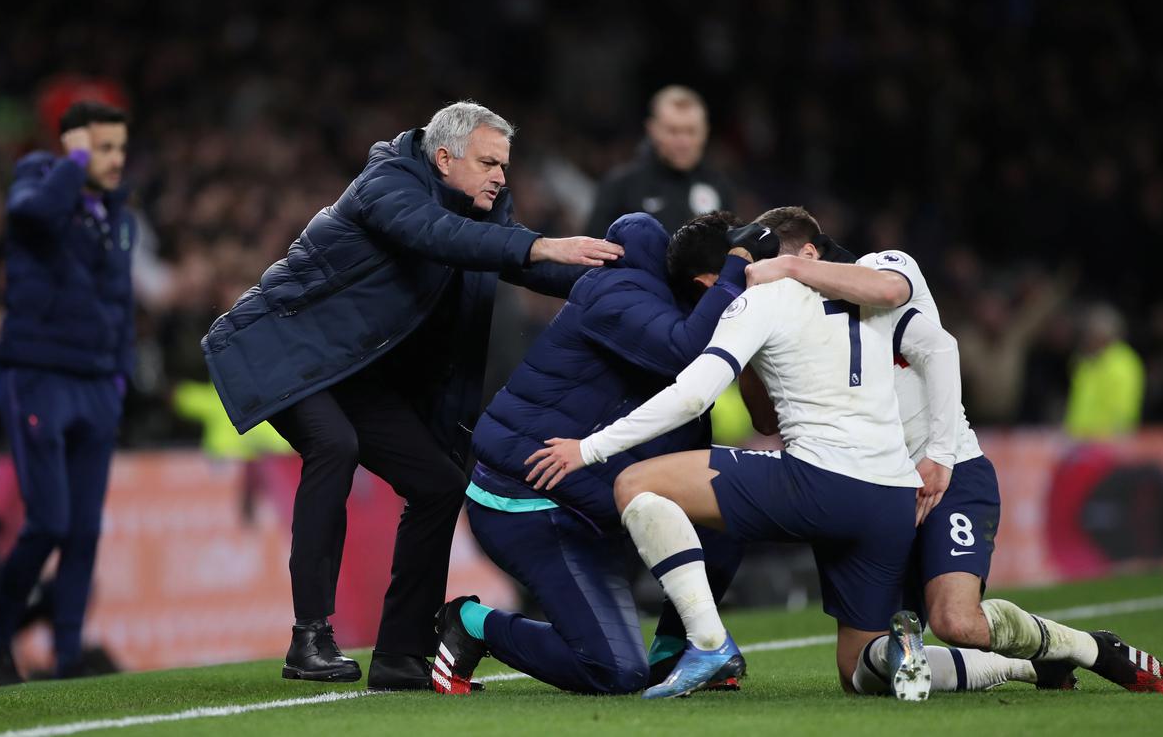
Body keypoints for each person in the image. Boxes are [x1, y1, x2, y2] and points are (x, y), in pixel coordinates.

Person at [202, 101, 622, 691]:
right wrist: (541, 245)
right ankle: (309, 636)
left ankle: (401, 652)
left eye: (504, 163)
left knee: (438, 484)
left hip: (353, 369)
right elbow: (442, 236)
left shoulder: (481, 207)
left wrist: (625, 274)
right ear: (444, 157)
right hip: (286, 348)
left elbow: (519, 261)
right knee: (334, 445)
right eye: (488, 162)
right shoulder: (387, 183)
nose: (502, 175)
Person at [528, 206, 928, 699]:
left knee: (635, 483)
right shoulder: (858, 289)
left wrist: (589, 448)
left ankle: (708, 643)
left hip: (822, 485)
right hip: (892, 497)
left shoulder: (758, 301)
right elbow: (767, 418)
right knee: (861, 670)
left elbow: (692, 396)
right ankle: (1022, 658)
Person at [745, 243, 1163, 695]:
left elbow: (937, 341)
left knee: (956, 620)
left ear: (807, 253)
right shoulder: (797, 325)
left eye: (778, 259)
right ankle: (1028, 668)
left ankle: (1091, 648)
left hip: (946, 474)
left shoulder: (878, 272)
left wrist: (941, 455)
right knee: (862, 672)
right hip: (876, 494)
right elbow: (766, 421)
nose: (770, 273)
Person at [427, 212, 779, 695]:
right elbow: (684, 352)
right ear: (708, 284)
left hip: (594, 500)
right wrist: (740, 268)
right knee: (613, 672)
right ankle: (469, 623)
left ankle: (677, 652)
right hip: (530, 501)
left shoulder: (674, 305)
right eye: (741, 283)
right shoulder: (620, 294)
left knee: (731, 501)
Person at [0, 101, 134, 686]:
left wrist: (119, 376)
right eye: (102, 148)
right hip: (41, 374)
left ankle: (68, 659)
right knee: (47, 521)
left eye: (121, 147)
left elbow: (122, 305)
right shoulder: (40, 179)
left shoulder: (119, 216)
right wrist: (72, 159)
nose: (116, 160)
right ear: (73, 148)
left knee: (84, 529)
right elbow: (32, 218)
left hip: (98, 384)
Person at [585, 86, 735, 240]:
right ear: (652, 129)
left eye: (691, 131)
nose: (683, 142)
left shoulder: (719, 184)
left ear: (705, 131)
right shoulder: (621, 186)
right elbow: (594, 251)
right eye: (673, 131)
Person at [1064, 303, 1145, 439]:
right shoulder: (1086, 362)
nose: (1086, 339)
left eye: (1090, 333)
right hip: (1079, 442)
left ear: (1104, 335)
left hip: (1106, 445)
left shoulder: (1123, 364)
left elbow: (1123, 414)